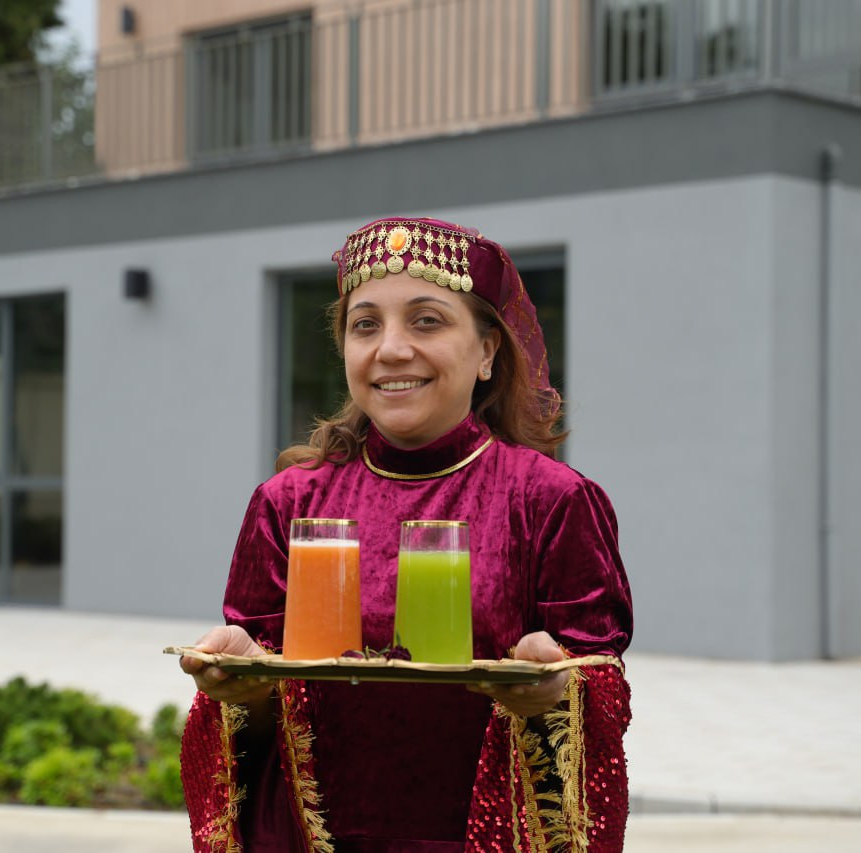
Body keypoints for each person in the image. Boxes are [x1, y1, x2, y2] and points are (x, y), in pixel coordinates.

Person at [179, 217, 633, 852]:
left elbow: (602, 702)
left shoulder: (551, 500)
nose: (391, 349)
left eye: (426, 321)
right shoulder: (289, 502)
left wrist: (556, 694)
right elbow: (254, 734)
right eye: (365, 325)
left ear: (487, 352)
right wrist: (242, 688)